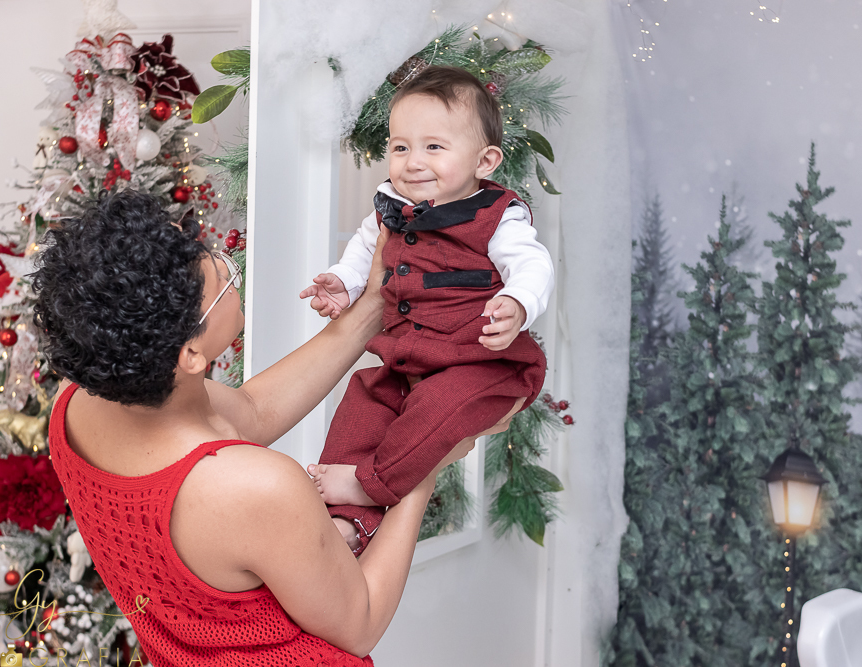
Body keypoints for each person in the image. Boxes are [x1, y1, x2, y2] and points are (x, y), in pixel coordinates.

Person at [32, 189, 521, 666]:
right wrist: (425, 459)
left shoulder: (78, 403)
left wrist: (373, 304)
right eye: (222, 282)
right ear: (191, 355)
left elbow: (251, 411)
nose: (227, 269)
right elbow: (360, 621)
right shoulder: (256, 486)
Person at [300, 66, 555, 552]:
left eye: (434, 147)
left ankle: (369, 485)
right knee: (364, 401)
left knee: (440, 407)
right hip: (408, 357)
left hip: (483, 363)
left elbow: (532, 264)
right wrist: (345, 282)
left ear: (486, 160)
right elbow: (363, 250)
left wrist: (517, 304)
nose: (413, 162)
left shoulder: (498, 215)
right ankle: (349, 525)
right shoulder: (391, 206)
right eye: (400, 147)